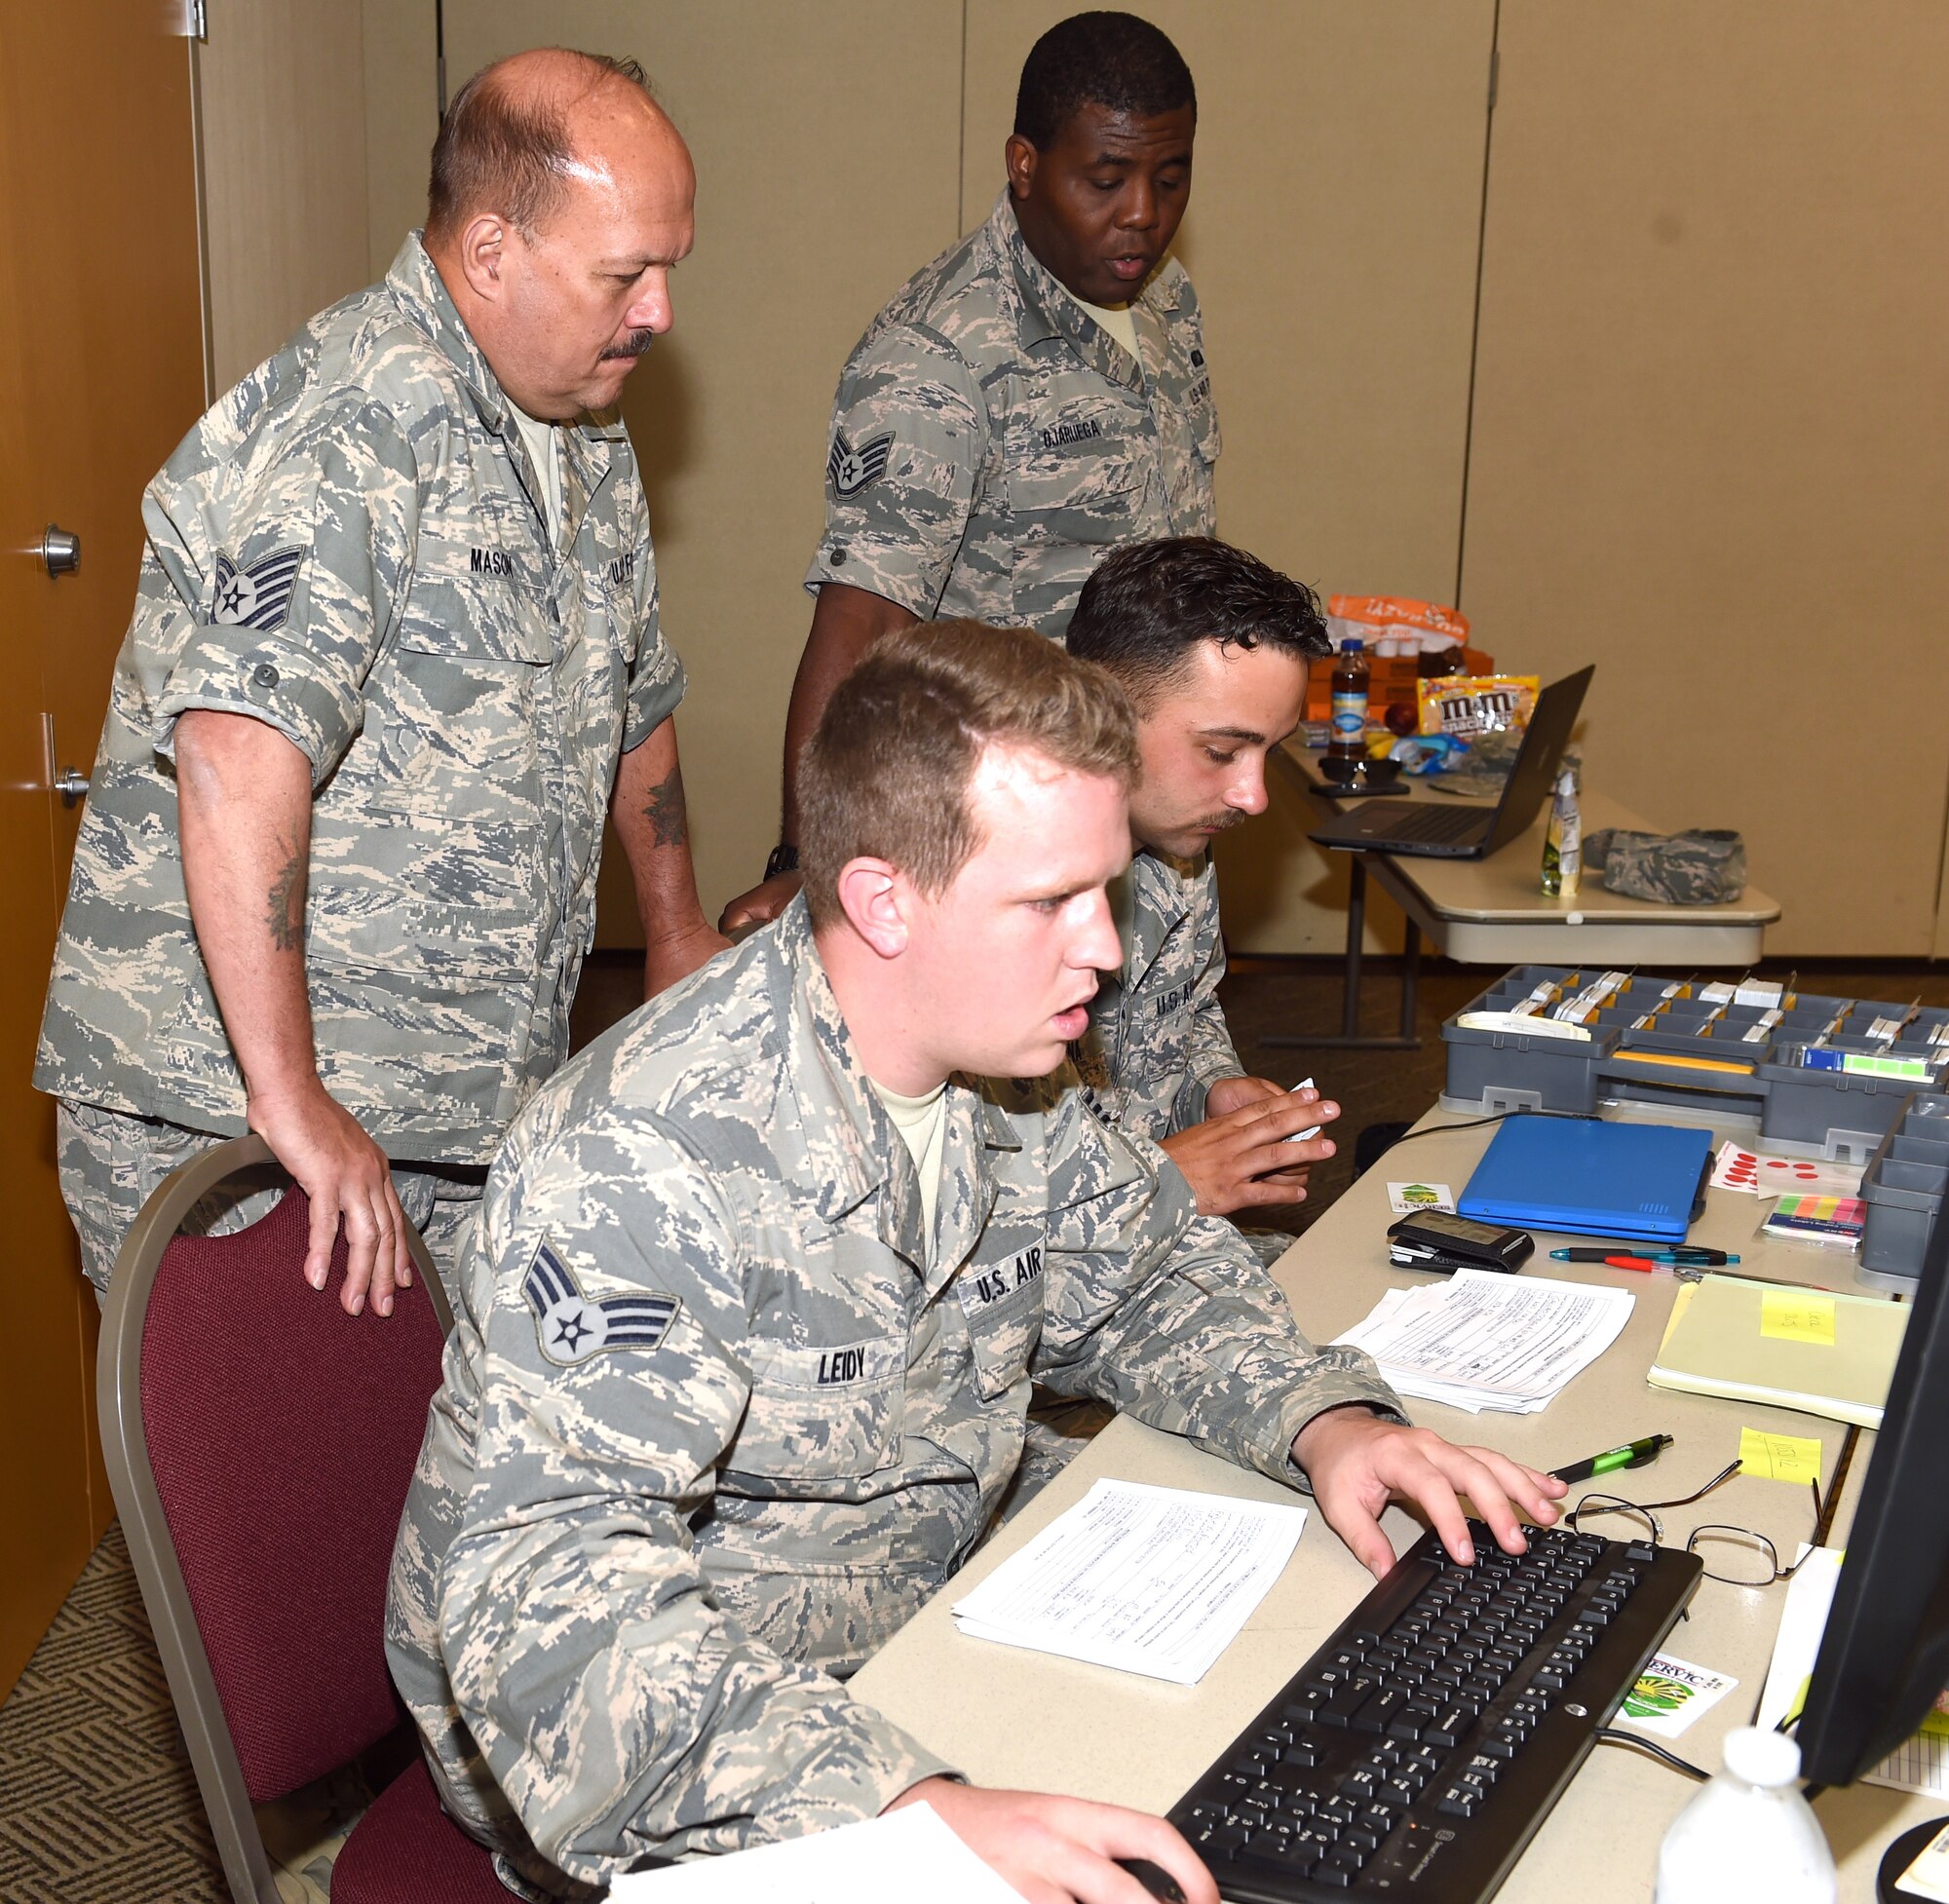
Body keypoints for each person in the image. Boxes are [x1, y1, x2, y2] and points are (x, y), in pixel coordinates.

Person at [386, 623, 1565, 1903]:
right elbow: (557, 1617)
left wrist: (1327, 1418)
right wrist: (904, 1809)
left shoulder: (1006, 1066)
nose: (1104, 950)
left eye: (1104, 890)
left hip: (920, 1598)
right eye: (1050, 901)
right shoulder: (644, 1153)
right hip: (701, 1743)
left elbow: (1148, 1271)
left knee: (1344, 1707)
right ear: (887, 898)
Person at [34, 49, 726, 1319]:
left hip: (445, 1103)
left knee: (452, 1492)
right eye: (627, 273)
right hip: (232, 1123)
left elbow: (634, 692)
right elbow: (235, 759)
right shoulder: (357, 423)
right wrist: (288, 1090)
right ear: (491, 252)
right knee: (267, 1505)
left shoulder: (579, 422)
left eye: (670, 267)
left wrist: (676, 931)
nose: (658, 314)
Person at [720, 10, 1217, 934]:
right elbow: (861, 614)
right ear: (1024, 165)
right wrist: (806, 861)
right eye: (1105, 179)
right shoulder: (936, 355)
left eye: (1171, 176)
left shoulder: (1164, 302)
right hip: (999, 850)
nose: (1143, 212)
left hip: (1151, 824)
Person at [1058, 536, 1336, 1232]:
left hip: (1151, 1235)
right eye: (1221, 752)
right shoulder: (976, 895)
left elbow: (1186, 1011)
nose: (1253, 796)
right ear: (1101, 709)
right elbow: (963, 1239)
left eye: (1270, 751)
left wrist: (1213, 1093)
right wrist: (1160, 1186)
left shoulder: (1178, 845)